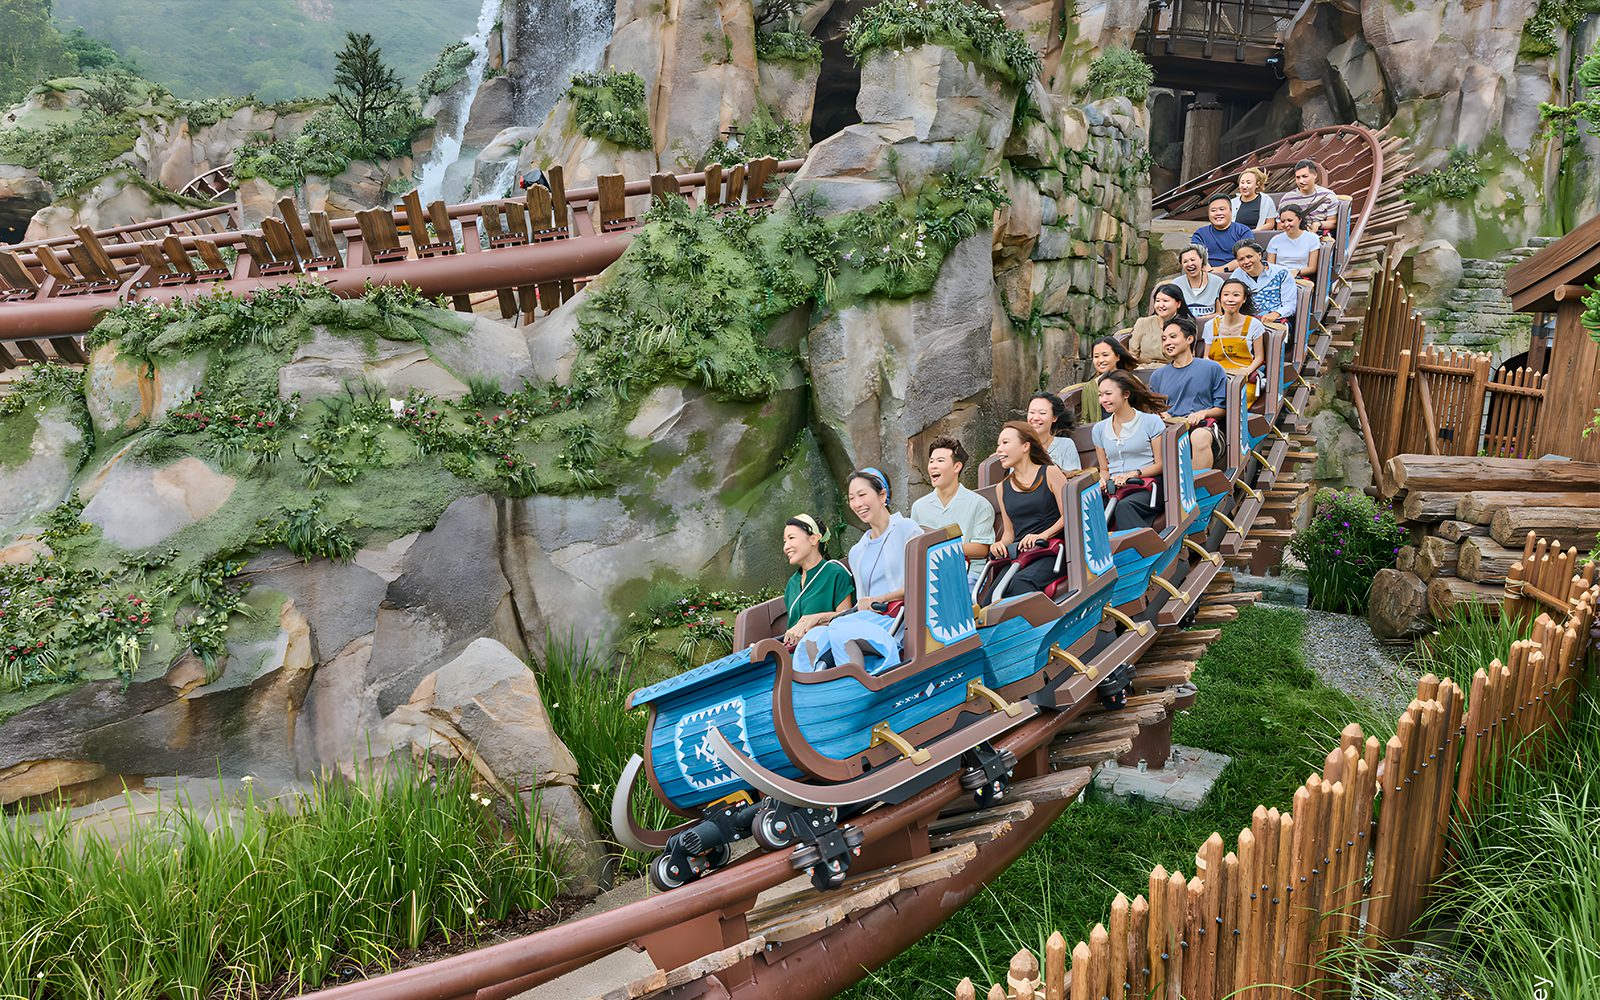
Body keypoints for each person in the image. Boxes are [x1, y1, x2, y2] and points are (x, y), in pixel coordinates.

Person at [986, 421, 1073, 596]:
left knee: (1021, 582)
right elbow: (1009, 532)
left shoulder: (1049, 472)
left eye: (1005, 443)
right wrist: (1000, 545)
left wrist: (1043, 535)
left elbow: (1069, 515)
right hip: (1022, 555)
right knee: (991, 596)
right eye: (998, 445)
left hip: (1052, 551)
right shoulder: (1002, 488)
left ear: (1025, 446)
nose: (999, 450)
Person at [910, 436, 997, 588]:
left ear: (957, 467)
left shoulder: (979, 504)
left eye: (940, 461)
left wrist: (940, 549)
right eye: (931, 461)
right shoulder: (919, 507)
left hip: (968, 577)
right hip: (930, 578)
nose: (933, 466)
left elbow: (982, 549)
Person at [1148, 315, 1228, 472]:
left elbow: (1222, 408)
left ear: (1190, 339)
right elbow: (1154, 410)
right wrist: (1163, 415)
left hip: (1203, 427)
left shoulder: (1212, 368)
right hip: (1169, 427)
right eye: (1164, 339)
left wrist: (1203, 413)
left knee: (1199, 437)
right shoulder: (1157, 376)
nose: (1167, 342)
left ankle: (1196, 487)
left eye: (1173, 337)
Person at [1092, 371, 1170, 531]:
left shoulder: (1151, 422)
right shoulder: (1098, 429)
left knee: (1124, 507)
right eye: (1100, 395)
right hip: (1114, 488)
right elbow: (1105, 469)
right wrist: (1101, 479)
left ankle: (1146, 552)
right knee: (1088, 511)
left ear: (1126, 394)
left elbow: (1161, 464)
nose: (1103, 400)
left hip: (1147, 486)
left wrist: (1133, 474)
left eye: (1108, 394)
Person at [845, 468, 921, 611]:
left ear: (882, 495)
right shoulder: (856, 551)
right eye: (851, 498)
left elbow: (923, 584)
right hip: (869, 621)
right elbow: (861, 604)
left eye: (862, 495)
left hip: (903, 619)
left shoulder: (907, 529)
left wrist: (880, 599)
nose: (857, 504)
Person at [779, 515, 855, 647]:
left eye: (791, 538)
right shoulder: (792, 583)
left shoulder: (835, 573)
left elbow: (846, 620)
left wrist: (815, 620)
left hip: (826, 652)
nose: (786, 547)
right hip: (792, 655)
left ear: (813, 539)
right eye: (784, 541)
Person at [1205, 278, 1269, 400]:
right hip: (1217, 375)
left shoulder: (1254, 325)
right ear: (1220, 299)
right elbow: (1206, 356)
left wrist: (1247, 372)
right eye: (1226, 295)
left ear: (1244, 299)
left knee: (1239, 397)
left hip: (1243, 375)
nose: (1230, 299)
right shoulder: (1210, 326)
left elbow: (1260, 357)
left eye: (1236, 295)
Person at [1070, 336, 1140, 425]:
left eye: (1105, 355)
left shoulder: (1130, 380)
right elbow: (1085, 419)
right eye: (1096, 356)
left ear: (1117, 357)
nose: (1101, 360)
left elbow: (1143, 408)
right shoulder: (1090, 387)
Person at [1229, 240, 1297, 331]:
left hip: (1275, 321)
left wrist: (1276, 313)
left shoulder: (1282, 273)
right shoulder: (1236, 275)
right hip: (1246, 321)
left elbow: (1290, 305)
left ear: (1259, 255)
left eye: (1249, 257)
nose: (1246, 262)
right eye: (1241, 259)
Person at [1128, 283, 1193, 363]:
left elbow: (1187, 358)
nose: (1161, 305)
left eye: (1166, 301)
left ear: (1178, 303)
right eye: (1157, 301)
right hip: (1143, 370)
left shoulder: (1186, 325)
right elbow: (1132, 354)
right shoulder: (1142, 322)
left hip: (1172, 371)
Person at [1190, 194, 1256, 273]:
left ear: (1231, 211)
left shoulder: (1243, 231)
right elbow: (1194, 255)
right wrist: (1205, 267)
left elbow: (1247, 257)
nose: (1218, 213)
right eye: (1213, 210)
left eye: (1222, 209)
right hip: (1206, 275)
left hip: (1237, 274)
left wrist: (1221, 270)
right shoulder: (1200, 233)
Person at [1277, 158, 1339, 233]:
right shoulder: (1287, 198)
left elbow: (1333, 222)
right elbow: (1280, 225)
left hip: (1319, 236)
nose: (1301, 181)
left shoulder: (1328, 196)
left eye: (1305, 176)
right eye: (1298, 177)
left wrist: (1319, 224)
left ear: (1315, 175)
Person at [1025, 392, 1082, 471]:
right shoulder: (1020, 444)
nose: (1035, 418)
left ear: (1054, 418)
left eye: (1042, 413)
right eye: (1032, 412)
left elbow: (1074, 478)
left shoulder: (1065, 445)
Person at [1267, 205, 1321, 279]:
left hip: (1300, 277)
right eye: (1283, 221)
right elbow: (1270, 267)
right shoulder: (1275, 240)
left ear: (1299, 219)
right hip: (1279, 277)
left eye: (1290, 220)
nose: (1286, 224)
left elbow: (1312, 268)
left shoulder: (1312, 238)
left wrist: (1297, 271)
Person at [1176, 246, 1224, 319]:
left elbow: (1219, 313)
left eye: (1193, 260)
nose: (1189, 264)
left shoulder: (1218, 282)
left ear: (1201, 260)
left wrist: (1198, 321)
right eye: (1185, 261)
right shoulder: (1176, 284)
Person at [1229, 166, 1277, 231]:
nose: (1245, 186)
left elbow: (1270, 223)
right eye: (1242, 182)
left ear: (1257, 184)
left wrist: (1256, 231)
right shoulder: (1232, 202)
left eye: (1248, 183)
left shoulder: (1266, 200)